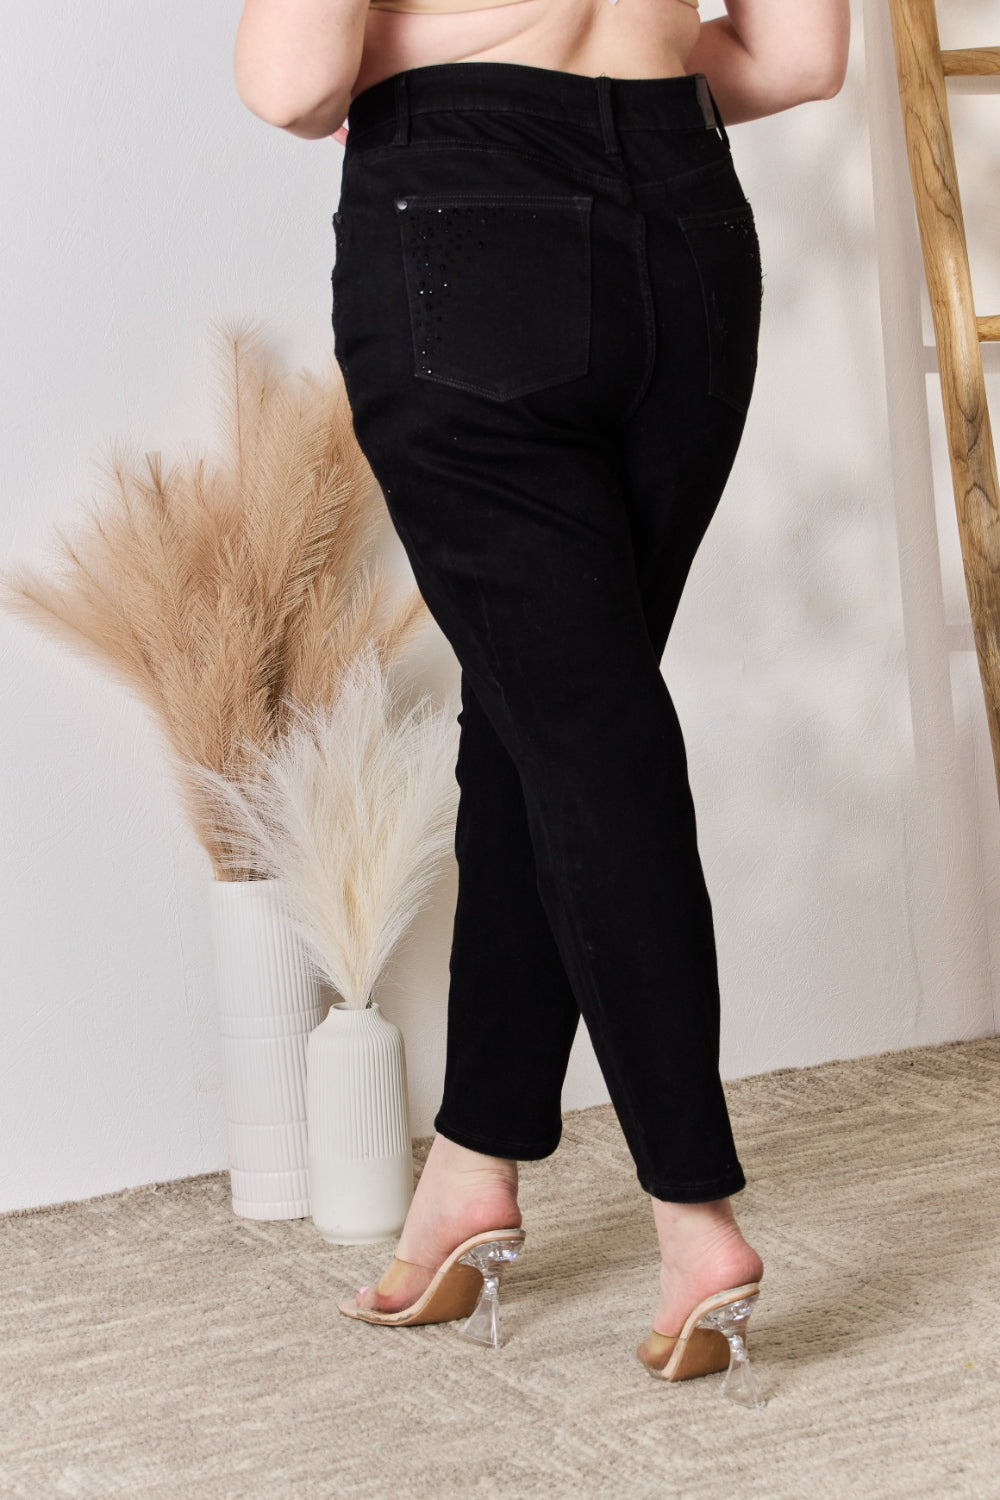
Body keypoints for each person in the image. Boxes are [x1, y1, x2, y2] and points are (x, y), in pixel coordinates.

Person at [233, 0, 849, 1395]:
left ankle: (694, 1216)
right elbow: (804, 59)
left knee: (579, 735)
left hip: (462, 226)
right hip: (687, 237)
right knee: (548, 719)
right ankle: (471, 1168)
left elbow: (291, 80)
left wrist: (437, 58)